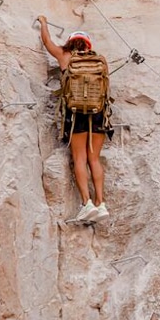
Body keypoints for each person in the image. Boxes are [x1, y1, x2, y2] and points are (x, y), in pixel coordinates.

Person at [37, 17, 112, 224]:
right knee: (93, 159)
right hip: (98, 113)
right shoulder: (100, 60)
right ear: (88, 45)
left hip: (76, 113)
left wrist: (43, 22)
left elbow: (47, 42)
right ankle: (101, 203)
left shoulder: (64, 55)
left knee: (79, 159)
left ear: (70, 42)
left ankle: (86, 204)